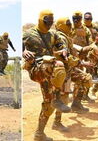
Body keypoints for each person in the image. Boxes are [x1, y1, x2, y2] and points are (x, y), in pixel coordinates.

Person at [23, 10, 71, 141]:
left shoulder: (53, 34)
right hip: (36, 69)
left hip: (50, 72)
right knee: (57, 65)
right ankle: (56, 98)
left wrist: (64, 50)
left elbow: (61, 44)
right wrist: (24, 51)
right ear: (40, 20)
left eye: (51, 22)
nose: (49, 24)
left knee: (48, 105)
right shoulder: (28, 34)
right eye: (47, 22)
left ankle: (39, 134)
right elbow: (19, 46)